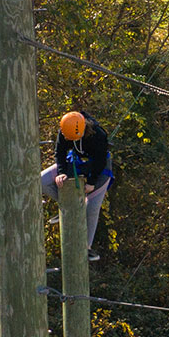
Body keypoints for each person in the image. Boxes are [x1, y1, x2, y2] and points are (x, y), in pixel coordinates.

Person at [41, 111, 113, 261]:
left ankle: (86, 248)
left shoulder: (98, 135)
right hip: (76, 162)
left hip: (99, 169)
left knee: (92, 208)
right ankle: (69, 205)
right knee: (40, 181)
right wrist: (61, 173)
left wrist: (92, 183)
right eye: (65, 135)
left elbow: (100, 161)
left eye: (69, 137)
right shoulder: (65, 130)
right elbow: (59, 152)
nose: (66, 138)